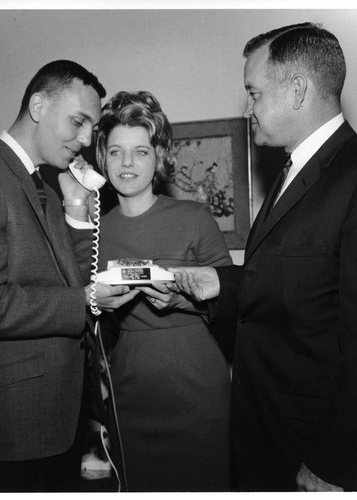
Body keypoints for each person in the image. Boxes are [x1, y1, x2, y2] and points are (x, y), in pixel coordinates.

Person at [171, 22, 357, 492]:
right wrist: (223, 284)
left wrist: (333, 465)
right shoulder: (290, 171)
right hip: (266, 436)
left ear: (297, 90)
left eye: (253, 94)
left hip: (313, 451)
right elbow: (304, 286)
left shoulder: (355, 176)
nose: (248, 109)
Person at [0, 60, 139, 492]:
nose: (87, 139)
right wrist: (85, 300)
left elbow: (64, 278)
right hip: (14, 427)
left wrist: (78, 209)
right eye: (79, 121)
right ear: (37, 106)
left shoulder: (40, 185)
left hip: (54, 420)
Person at [95, 90, 233, 492]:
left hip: (196, 386)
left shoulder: (194, 218)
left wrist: (182, 298)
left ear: (159, 156)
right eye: (116, 151)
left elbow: (233, 301)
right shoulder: (95, 233)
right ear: (102, 156)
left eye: (140, 152)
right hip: (129, 388)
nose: (127, 163)